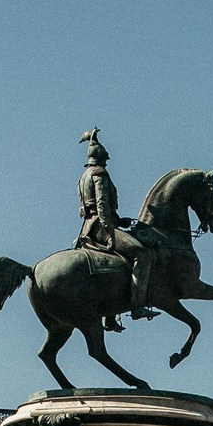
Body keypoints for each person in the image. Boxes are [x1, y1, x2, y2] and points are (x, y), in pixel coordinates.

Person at [76, 129, 154, 323]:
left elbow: (89, 205)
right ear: (100, 158)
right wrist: (110, 232)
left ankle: (111, 315)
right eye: (106, 158)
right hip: (101, 228)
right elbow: (101, 204)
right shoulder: (99, 174)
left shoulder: (83, 176)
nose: (108, 160)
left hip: (88, 226)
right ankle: (137, 307)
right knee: (142, 255)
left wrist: (119, 221)